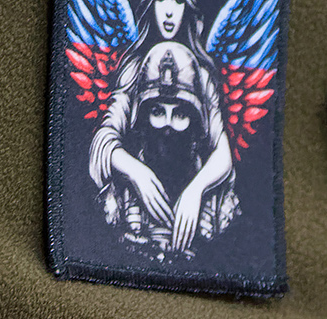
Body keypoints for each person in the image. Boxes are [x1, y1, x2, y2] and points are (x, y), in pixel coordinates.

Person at [87, 0, 237, 258]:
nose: (169, 11)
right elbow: (104, 139)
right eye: (161, 0)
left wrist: (196, 190)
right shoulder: (133, 70)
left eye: (178, 1)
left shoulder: (203, 76)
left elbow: (223, 152)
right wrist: (137, 172)